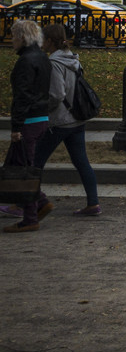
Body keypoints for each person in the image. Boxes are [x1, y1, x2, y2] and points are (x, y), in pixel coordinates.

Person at [32, 24, 101, 216]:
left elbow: (56, 94)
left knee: (35, 162)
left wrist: (43, 109)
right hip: (76, 119)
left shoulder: (54, 63)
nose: (41, 43)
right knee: (82, 162)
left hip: (60, 121)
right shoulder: (73, 59)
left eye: (42, 39)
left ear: (50, 41)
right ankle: (93, 202)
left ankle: (27, 203)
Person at [3, 19, 53, 233]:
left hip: (29, 121)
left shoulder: (25, 61)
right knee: (21, 164)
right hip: (41, 118)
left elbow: (22, 96)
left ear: (22, 37)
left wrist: (16, 127)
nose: (11, 40)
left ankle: (31, 216)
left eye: (14, 36)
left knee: (24, 169)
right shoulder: (42, 58)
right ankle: (39, 203)